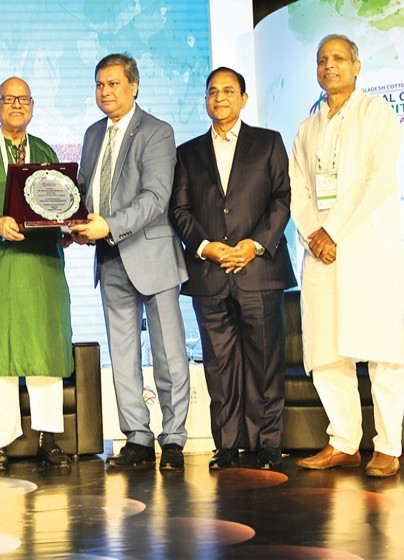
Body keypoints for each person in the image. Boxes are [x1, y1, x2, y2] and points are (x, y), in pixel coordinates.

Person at [170, 67, 297, 470]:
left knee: (263, 361)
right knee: (219, 364)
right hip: (210, 273)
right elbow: (180, 209)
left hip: (258, 270)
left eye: (228, 90)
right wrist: (207, 248)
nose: (219, 97)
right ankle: (226, 445)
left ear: (243, 98)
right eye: (212, 91)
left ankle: (266, 445)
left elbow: (282, 198)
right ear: (205, 100)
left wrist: (254, 245)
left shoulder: (268, 142)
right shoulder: (188, 153)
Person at [290, 35, 403, 478]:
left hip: (367, 249)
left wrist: (332, 231)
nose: (329, 66)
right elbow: (297, 186)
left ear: (357, 67)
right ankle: (343, 442)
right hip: (321, 253)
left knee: (382, 350)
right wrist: (312, 233)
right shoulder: (309, 125)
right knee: (325, 349)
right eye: (322, 60)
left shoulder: (376, 113)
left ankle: (389, 446)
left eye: (338, 58)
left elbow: (374, 183)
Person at [71, 53, 189, 471]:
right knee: (122, 356)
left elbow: (156, 198)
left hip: (151, 254)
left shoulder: (157, 131)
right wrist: (73, 224)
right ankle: (136, 437)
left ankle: (173, 439)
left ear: (134, 86)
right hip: (109, 258)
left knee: (169, 354)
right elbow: (84, 191)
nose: (106, 92)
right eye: (99, 84)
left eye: (114, 84)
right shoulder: (91, 134)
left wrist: (108, 226)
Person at [0, 77, 73, 471]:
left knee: (45, 351)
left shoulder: (44, 151)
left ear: (33, 106)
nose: (16, 106)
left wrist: (66, 227)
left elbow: (56, 201)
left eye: (23, 99)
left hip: (40, 269)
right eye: (9, 100)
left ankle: (48, 440)